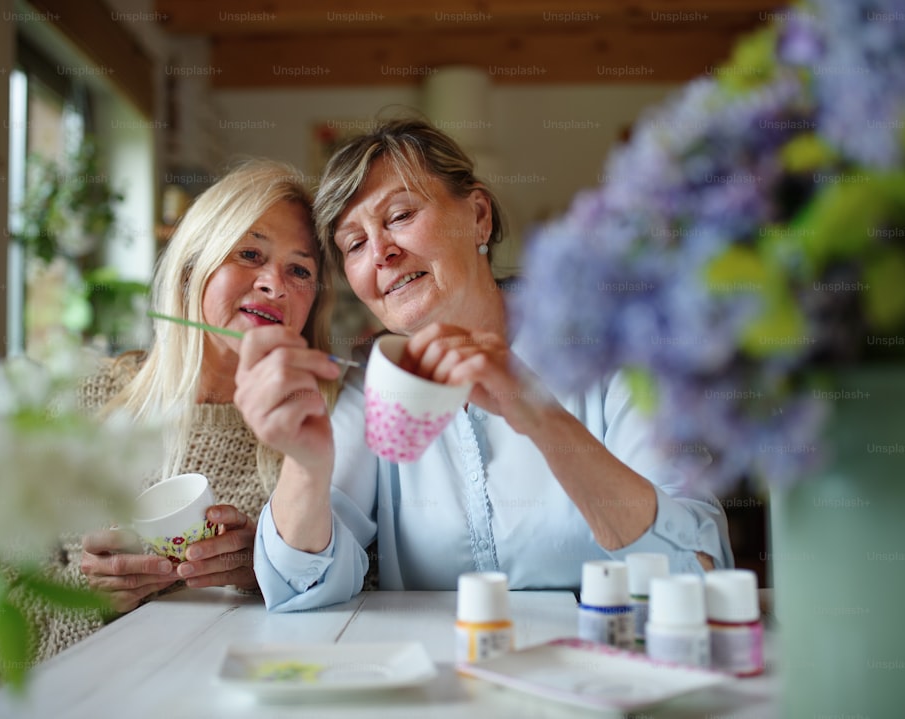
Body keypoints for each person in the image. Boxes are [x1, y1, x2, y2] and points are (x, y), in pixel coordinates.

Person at [235, 119, 734, 612]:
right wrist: (306, 464)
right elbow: (298, 586)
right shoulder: (373, 381)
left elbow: (697, 569)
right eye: (355, 244)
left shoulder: (613, 347)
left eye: (401, 215)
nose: (381, 254)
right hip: (443, 682)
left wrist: (539, 415)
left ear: (478, 216)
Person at [26, 159, 338, 660]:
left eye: (299, 270)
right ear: (192, 267)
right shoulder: (79, 400)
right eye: (250, 253)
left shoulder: (314, 430)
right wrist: (91, 604)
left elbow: (354, 591)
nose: (274, 284)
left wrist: (265, 571)